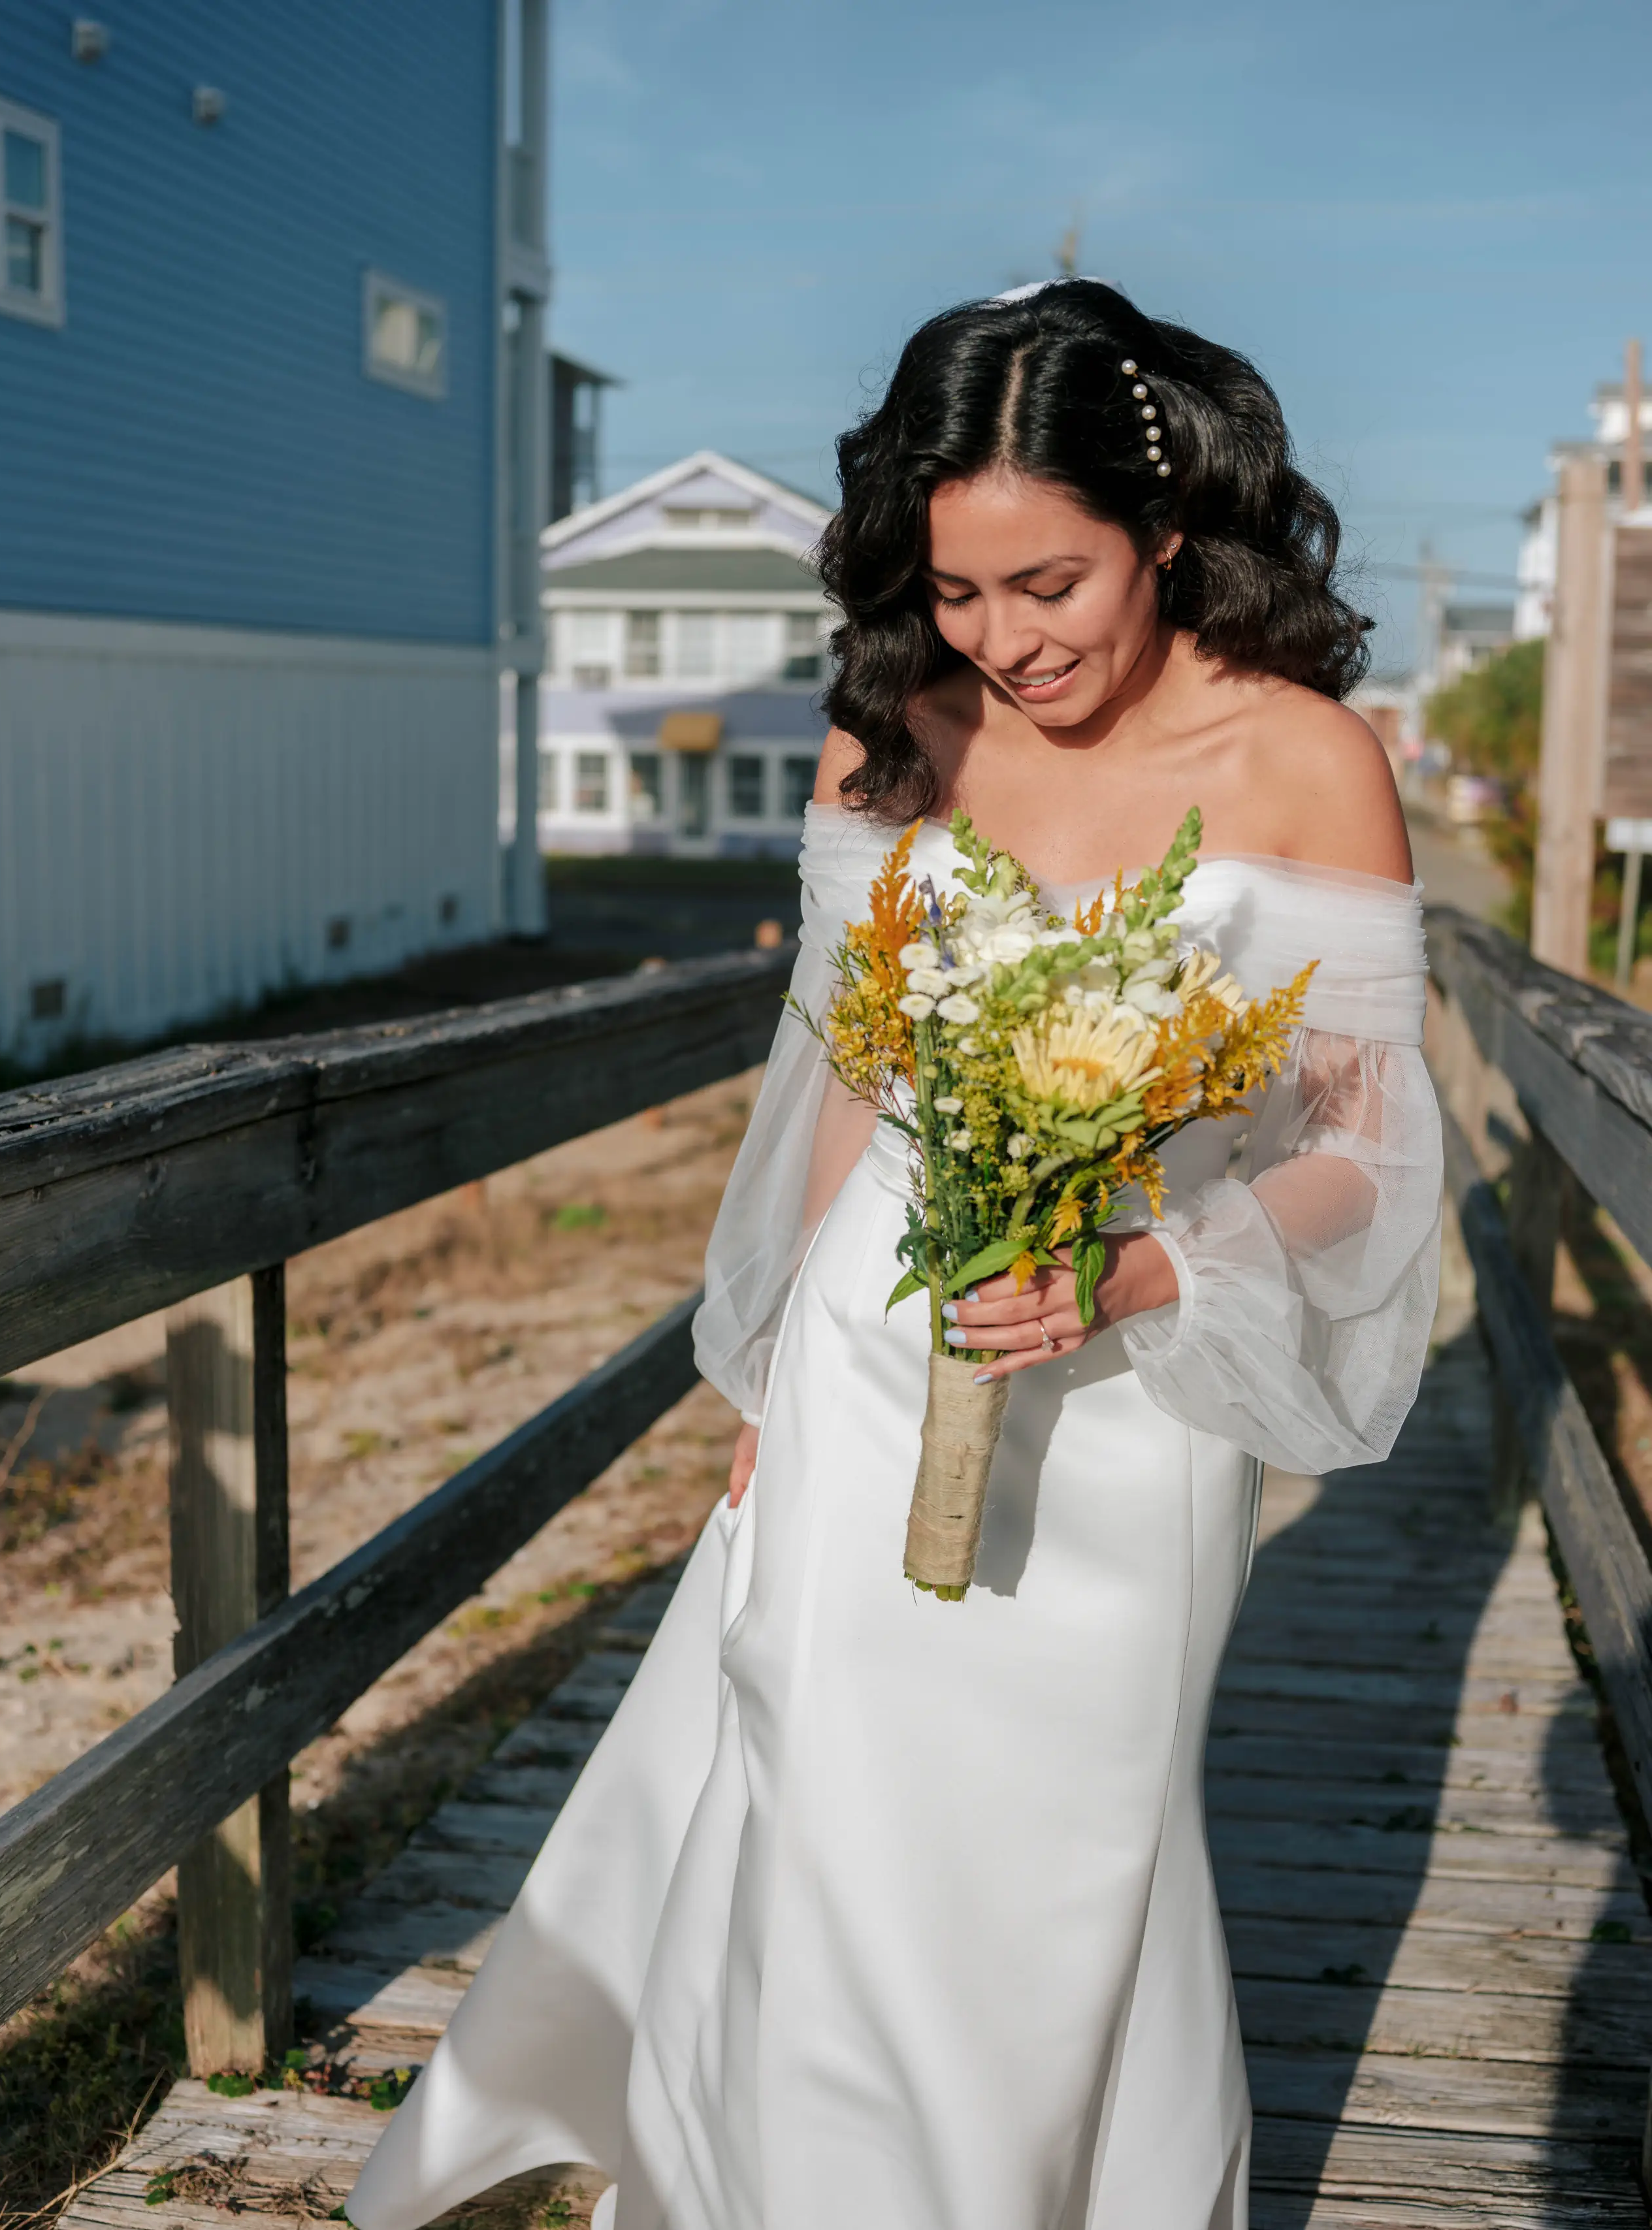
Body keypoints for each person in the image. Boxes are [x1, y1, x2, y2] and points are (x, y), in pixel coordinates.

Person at [348, 278, 1442, 2230]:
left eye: (1053, 582)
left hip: (1133, 1383)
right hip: (877, 1344)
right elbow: (846, 1082)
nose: (1005, 643)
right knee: (827, 1798)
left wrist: (1155, 1267)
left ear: (1166, 534)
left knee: (1072, 1841)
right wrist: (771, 1379)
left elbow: (1361, 1144)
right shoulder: (894, 747)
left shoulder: (1306, 762)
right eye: (958, 592)